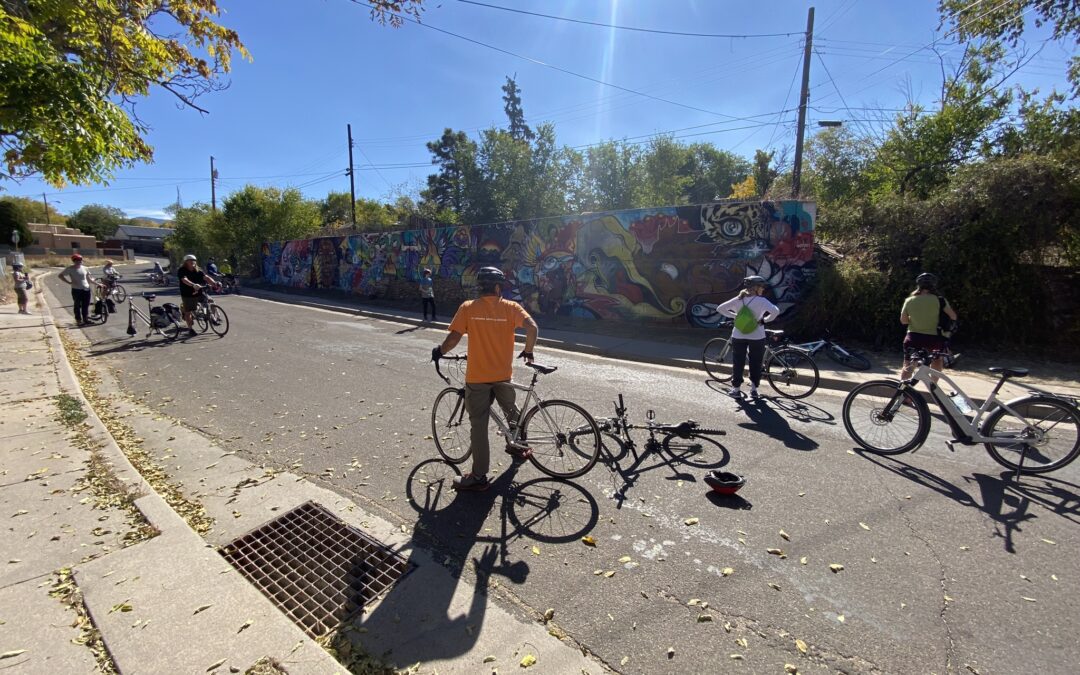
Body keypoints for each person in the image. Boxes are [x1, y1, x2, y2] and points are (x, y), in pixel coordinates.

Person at [431, 267, 539, 492]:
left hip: (478, 378)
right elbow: (532, 328)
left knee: (478, 425)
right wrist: (528, 350)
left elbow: (453, 339)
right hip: (503, 376)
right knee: (511, 411)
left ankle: (479, 476)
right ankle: (518, 446)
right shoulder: (511, 308)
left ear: (480, 287)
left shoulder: (468, 308)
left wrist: (439, 351)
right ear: (498, 287)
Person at [715, 275, 780, 398]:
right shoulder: (762, 301)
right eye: (761, 287)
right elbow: (775, 311)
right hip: (757, 336)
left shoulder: (738, 299)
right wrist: (764, 320)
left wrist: (735, 316)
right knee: (756, 362)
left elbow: (720, 308)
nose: (763, 289)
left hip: (738, 335)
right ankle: (754, 390)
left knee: (738, 362)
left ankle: (736, 390)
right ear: (755, 288)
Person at [900, 273, 958, 380]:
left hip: (913, 337)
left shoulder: (909, 300)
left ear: (919, 285)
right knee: (936, 362)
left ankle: (903, 388)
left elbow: (904, 321)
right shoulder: (940, 300)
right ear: (934, 285)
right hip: (934, 339)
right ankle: (933, 386)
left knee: (909, 364)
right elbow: (953, 316)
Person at [176, 254, 221, 334]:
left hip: (199, 292)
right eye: (190, 260)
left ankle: (212, 318)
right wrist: (193, 285)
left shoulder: (198, 270)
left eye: (194, 260)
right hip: (188, 294)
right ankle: (190, 329)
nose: (192, 262)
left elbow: (206, 277)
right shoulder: (182, 270)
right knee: (188, 312)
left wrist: (214, 283)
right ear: (186, 262)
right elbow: (184, 280)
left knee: (210, 301)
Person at [58, 254, 96, 326]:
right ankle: (78, 320)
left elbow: (89, 279)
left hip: (86, 289)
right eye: (77, 260)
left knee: (86, 305)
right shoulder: (70, 268)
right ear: (74, 261)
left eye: (80, 260)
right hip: (76, 290)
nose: (79, 261)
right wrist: (68, 282)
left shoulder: (85, 268)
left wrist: (98, 284)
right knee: (77, 305)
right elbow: (60, 275)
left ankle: (85, 319)